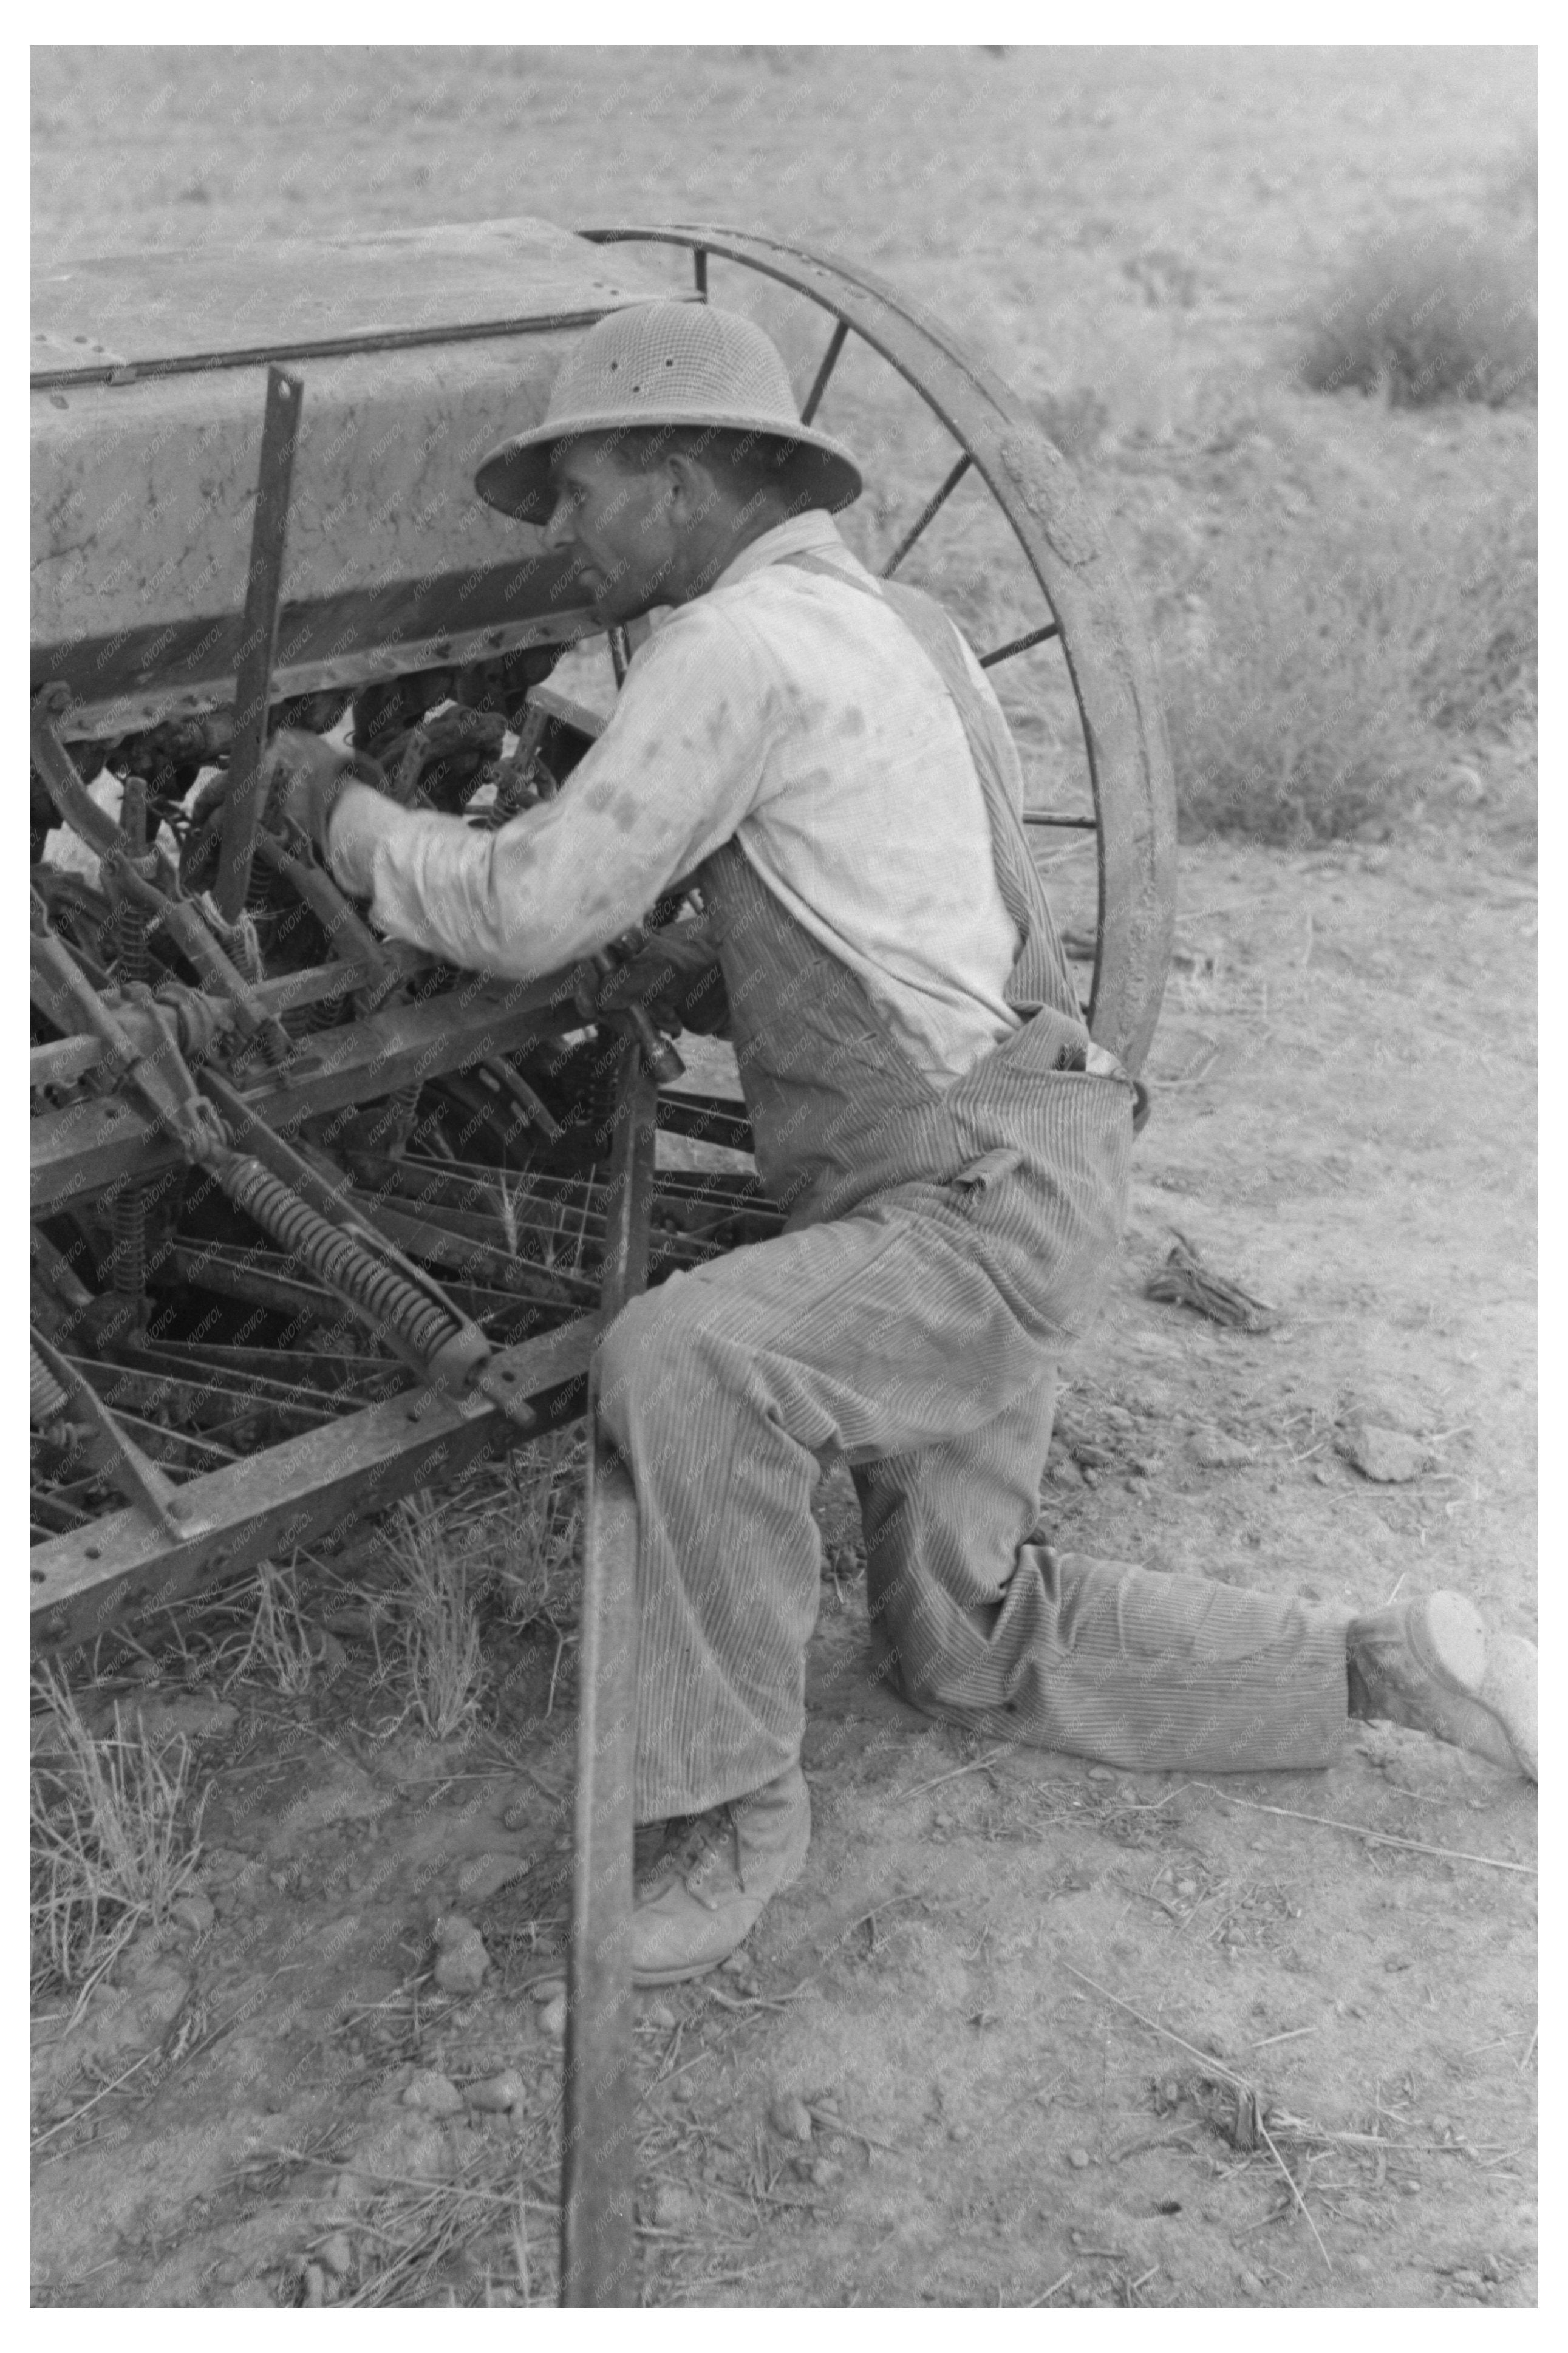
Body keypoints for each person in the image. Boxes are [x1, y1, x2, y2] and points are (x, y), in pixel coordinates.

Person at [267, 301, 1537, 1984]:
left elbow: (529, 905)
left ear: (682, 472)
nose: (562, 535)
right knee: (965, 1641)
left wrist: (337, 814)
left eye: (578, 493)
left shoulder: (733, 651)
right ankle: (1386, 1665)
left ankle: (738, 1814)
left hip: (964, 1211)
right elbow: (888, 911)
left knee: (686, 1357)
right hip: (1041, 1156)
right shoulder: (905, 629)